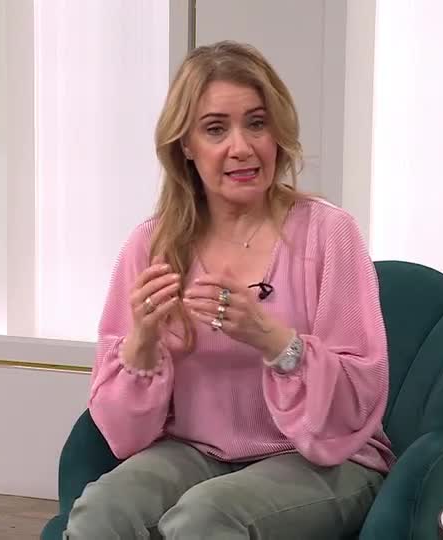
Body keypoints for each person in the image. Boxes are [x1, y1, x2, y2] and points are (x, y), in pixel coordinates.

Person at [64, 41, 394, 539]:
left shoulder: (330, 233)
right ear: (186, 146)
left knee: (205, 517)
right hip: (197, 450)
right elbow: (119, 433)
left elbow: (360, 397)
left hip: (322, 458)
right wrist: (144, 342)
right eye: (216, 129)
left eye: (256, 123)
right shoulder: (151, 244)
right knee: (102, 509)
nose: (242, 147)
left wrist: (272, 339)